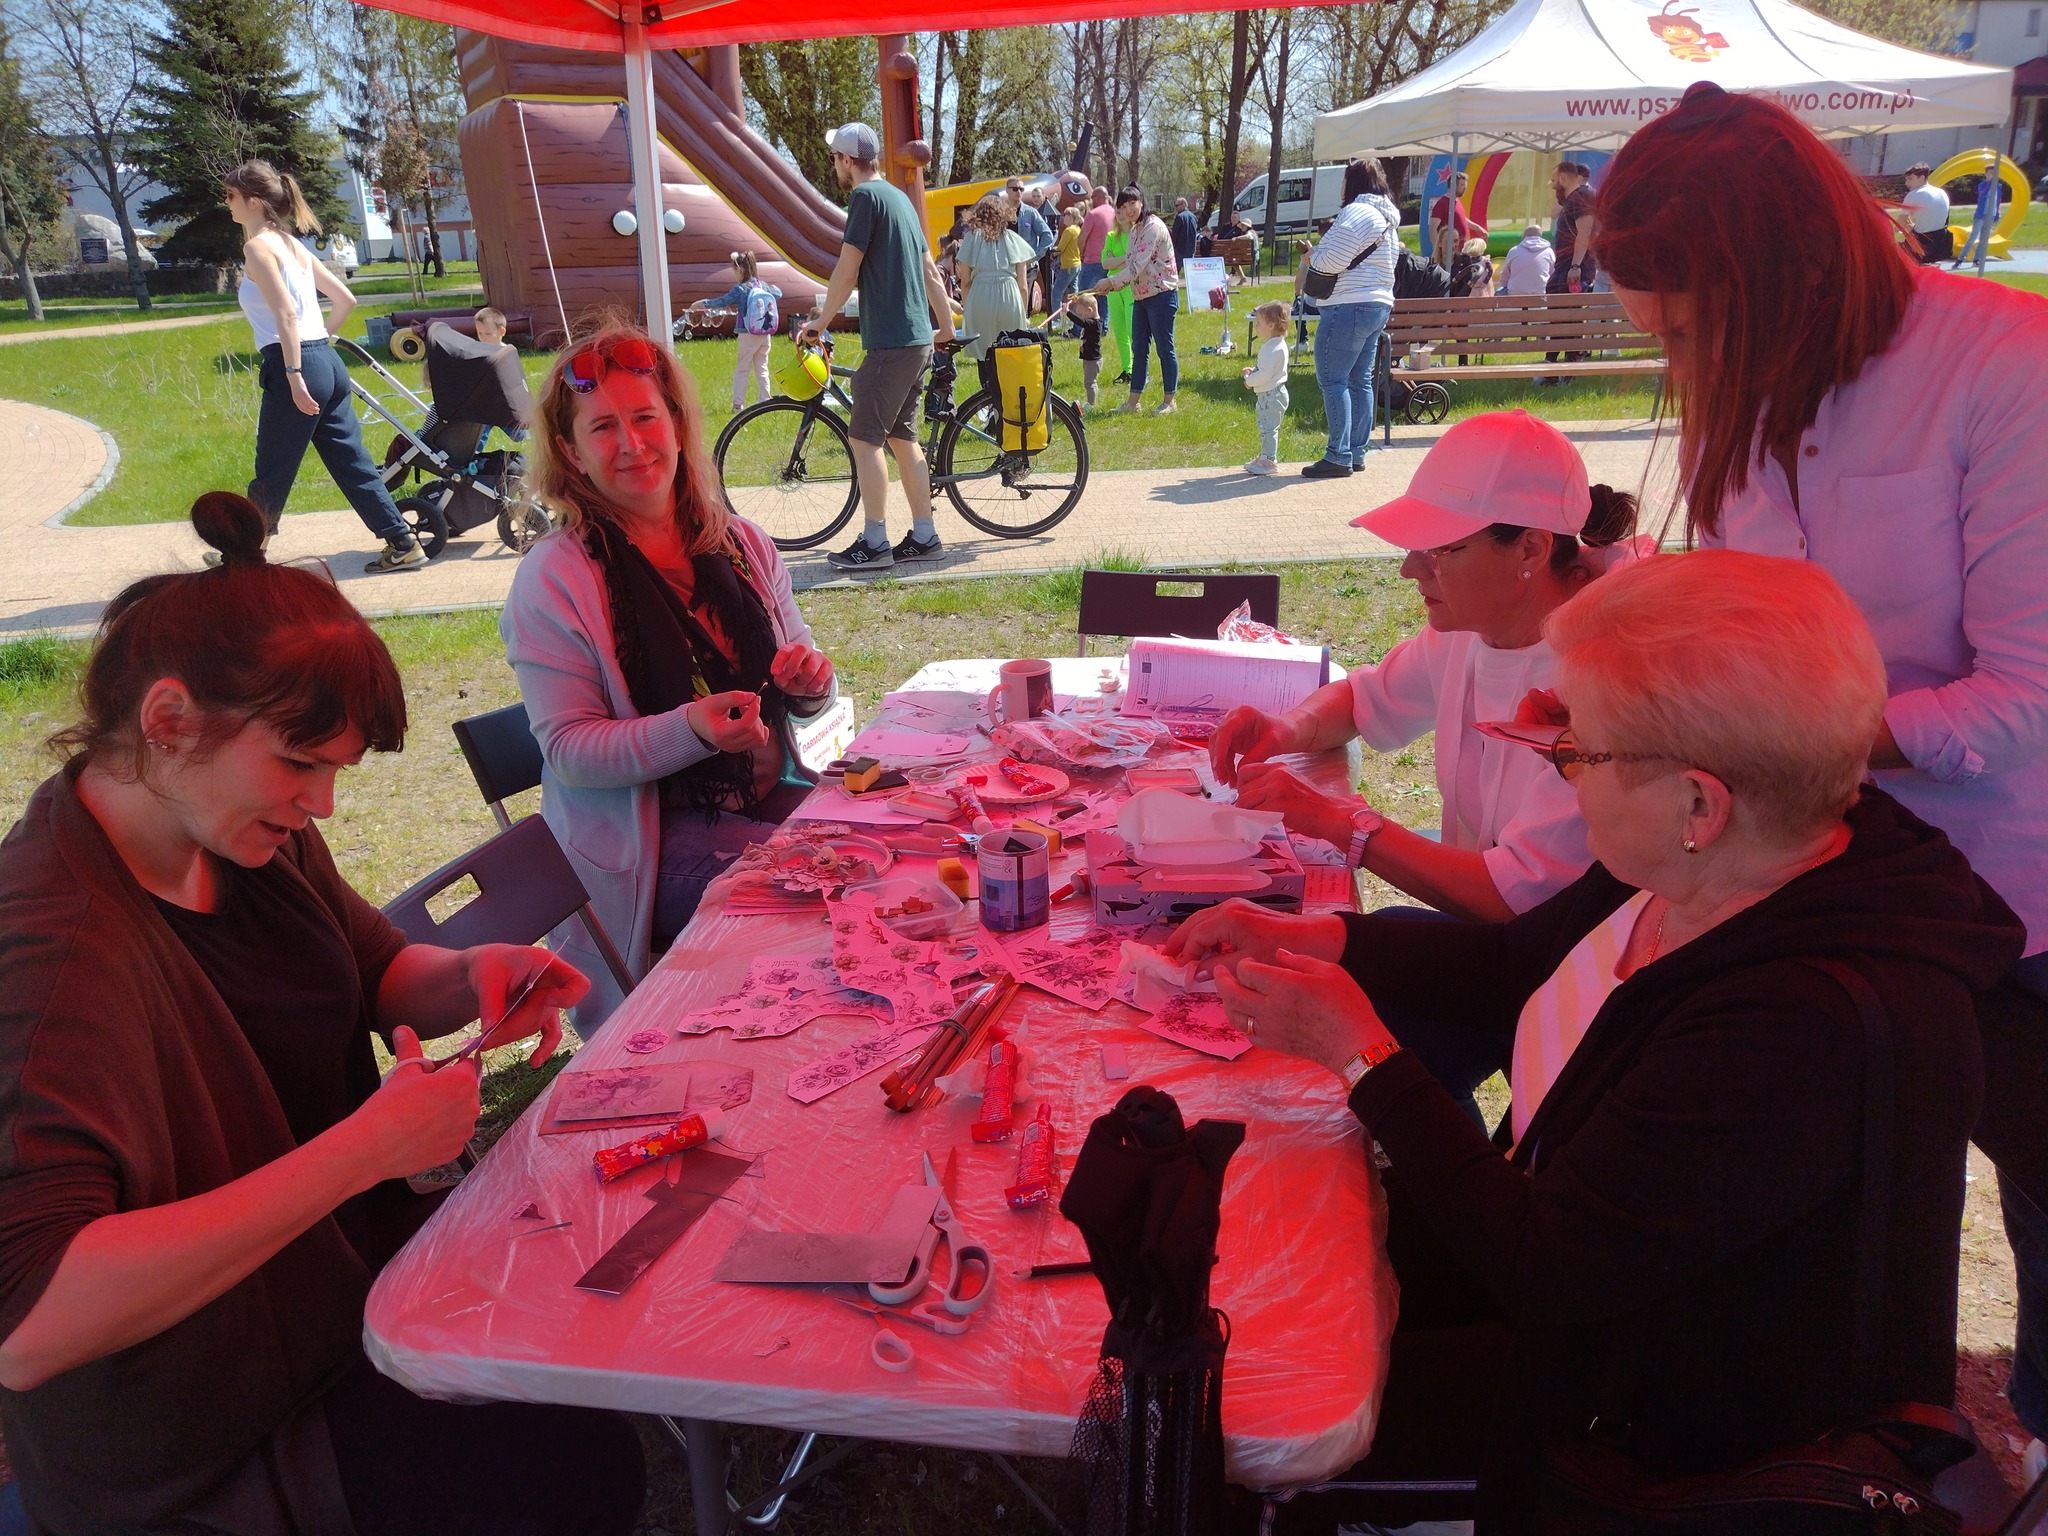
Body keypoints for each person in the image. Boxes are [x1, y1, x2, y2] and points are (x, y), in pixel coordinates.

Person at [1176, 551, 2025, 1529]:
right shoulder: (1719, 846)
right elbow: (1512, 969)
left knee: (1243, 1392)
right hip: (1575, 1273)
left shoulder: (1803, 1022)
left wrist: (1363, 1058)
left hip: (1640, 1415)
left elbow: (1547, 1267)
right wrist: (1316, 935)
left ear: (1699, 801)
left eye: (1580, 749)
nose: (1562, 768)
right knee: (1252, 1241)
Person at [0, 490, 644, 1535]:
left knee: (582, 1340)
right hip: (201, 1439)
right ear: (167, 721)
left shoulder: (240, 825)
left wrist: (472, 974)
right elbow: (32, 1324)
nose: (323, 805)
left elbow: (372, 964)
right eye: (302, 766)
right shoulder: (52, 954)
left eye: (335, 772)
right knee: (567, 1467)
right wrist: (358, 1153)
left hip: (337, 1301)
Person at [1596, 80, 2048, 1480]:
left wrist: (1787, 734)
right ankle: (1878, 1457)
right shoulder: (1760, 396)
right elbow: (1748, 614)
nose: (1678, 365)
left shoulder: (2008, 366)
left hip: (2024, 900)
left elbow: (2023, 700)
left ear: (1782, 279)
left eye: (1686, 330)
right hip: (1840, 877)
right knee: (1859, 1224)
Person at [1211, 408, 1642, 1120]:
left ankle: (1447, 1183)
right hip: (1495, 952)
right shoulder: (1474, 627)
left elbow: (1512, 898)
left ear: (1531, 549)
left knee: (1351, 1027)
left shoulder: (1602, 673)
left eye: (1440, 550)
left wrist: (1346, 824)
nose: (1411, 568)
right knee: (1311, 984)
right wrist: (1286, 726)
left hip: (1566, 982)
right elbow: (1366, 696)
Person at [501, 323, 839, 1030]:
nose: (631, 444)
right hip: (643, 849)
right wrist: (690, 729)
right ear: (570, 451)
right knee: (818, 902)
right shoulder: (556, 576)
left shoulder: (739, 542)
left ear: (678, 424)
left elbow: (807, 689)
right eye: (603, 427)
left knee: (889, 856)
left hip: (767, 796)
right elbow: (568, 751)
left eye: (646, 416)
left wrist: (810, 685)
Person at [226, 159, 425, 573]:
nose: (226, 204)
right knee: (353, 463)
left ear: (254, 201)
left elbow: (285, 317)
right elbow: (345, 300)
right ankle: (402, 542)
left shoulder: (257, 247)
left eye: (231, 196)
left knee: (272, 469)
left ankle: (241, 557)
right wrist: (321, 346)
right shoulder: (293, 244)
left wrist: (296, 374)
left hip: (294, 363)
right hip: (327, 363)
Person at [799, 123, 957, 572]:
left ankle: (874, 542)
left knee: (863, 439)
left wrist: (820, 322)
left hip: (890, 343)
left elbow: (847, 270)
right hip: (917, 339)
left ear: (849, 161)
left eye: (835, 158)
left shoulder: (865, 199)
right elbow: (930, 268)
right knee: (903, 440)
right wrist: (943, 326)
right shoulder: (901, 200)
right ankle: (924, 536)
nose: (834, 165)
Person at [1302, 157, 1399, 479]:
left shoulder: (1357, 213)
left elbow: (1330, 261)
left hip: (1348, 305)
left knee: (1334, 379)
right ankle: (1357, 452)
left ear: (1353, 182)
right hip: (1377, 305)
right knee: (1361, 381)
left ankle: (1338, 454)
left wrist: (1313, 255)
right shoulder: (1387, 219)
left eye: (1344, 180)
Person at [1091, 186, 1180, 416]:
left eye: (1132, 203)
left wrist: (1110, 282)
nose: (1128, 210)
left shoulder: (1152, 227)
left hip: (1162, 295)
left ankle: (1170, 401)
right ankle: (1133, 403)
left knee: (1164, 348)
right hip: (1141, 296)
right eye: (1122, 207)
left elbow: (1136, 265)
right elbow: (1131, 266)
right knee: (1139, 348)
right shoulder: (1133, 231)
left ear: (1142, 201)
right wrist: (1111, 286)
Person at [686, 250, 783, 411]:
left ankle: (738, 404)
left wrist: (701, 303)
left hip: (748, 334)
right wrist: (769, 287)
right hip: (765, 334)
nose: (734, 276)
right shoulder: (762, 286)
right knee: (762, 367)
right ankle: (765, 400)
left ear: (741, 270)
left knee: (742, 369)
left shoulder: (741, 289)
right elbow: (778, 294)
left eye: (734, 272)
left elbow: (722, 301)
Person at [955, 192, 1033, 365]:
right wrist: (1024, 314)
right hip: (1009, 295)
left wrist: (967, 309)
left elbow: (966, 282)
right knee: (1010, 352)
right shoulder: (1015, 240)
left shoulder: (971, 239)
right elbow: (1023, 286)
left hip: (980, 296)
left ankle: (988, 390)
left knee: (984, 354)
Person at [1540, 161, 1598, 378]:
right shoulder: (1572, 200)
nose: (1553, 186)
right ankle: (1554, 366)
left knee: (1568, 317)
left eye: (1555, 181)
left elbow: (1585, 232)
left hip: (1573, 270)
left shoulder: (1581, 198)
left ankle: (1567, 366)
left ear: (1564, 178)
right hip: (1564, 268)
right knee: (1560, 316)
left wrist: (1576, 265)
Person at [1240, 298, 1290, 476]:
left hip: (1271, 396)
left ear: (1270, 325)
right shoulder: (1277, 344)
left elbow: (1265, 375)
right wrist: (1254, 370)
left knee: (1268, 429)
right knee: (1267, 427)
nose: (1256, 326)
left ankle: (1269, 461)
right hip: (1273, 394)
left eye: (1259, 323)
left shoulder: (1271, 348)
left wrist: (1249, 379)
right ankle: (1265, 456)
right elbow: (1270, 370)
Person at [1005, 177, 1055, 311]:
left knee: (1023, 306)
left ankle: (1022, 331)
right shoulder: (1001, 212)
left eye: (1021, 189)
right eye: (1015, 189)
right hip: (1005, 266)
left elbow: (1047, 235)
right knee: (1007, 304)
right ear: (1007, 191)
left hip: (1026, 268)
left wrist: (1034, 257)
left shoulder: (1030, 213)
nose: (1018, 192)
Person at [1891, 162, 1954, 265]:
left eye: (1910, 179)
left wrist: (1890, 231)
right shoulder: (1942, 192)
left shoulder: (1913, 195)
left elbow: (1899, 226)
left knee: (1892, 257)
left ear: (1922, 178)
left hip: (1921, 245)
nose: (1906, 183)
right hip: (1940, 244)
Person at [1052, 289, 1104, 407]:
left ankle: (1091, 404)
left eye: (1081, 314)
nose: (1080, 316)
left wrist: (1068, 313)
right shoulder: (1091, 321)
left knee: (1090, 383)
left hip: (1093, 360)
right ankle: (1091, 402)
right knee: (1089, 382)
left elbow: (1080, 322)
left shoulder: (1094, 324)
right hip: (1090, 359)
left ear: (1090, 311)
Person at [1429, 169, 1475, 267]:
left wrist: (1478, 228)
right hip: (1449, 256)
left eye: (1465, 185)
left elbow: (1461, 219)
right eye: (1462, 185)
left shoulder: (1457, 201)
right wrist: (1439, 252)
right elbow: (1433, 229)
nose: (1465, 188)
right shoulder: (1442, 203)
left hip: (1461, 253)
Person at [1496, 221, 1555, 296]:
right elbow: (1552, 273)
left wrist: (1505, 284)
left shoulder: (1514, 250)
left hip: (1515, 293)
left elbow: (1505, 275)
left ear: (1524, 236)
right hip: (1540, 293)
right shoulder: (1549, 252)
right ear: (1540, 236)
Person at [1051, 206, 1083, 324]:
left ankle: (1057, 319)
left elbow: (1061, 248)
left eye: (1065, 214)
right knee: (1073, 293)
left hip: (1068, 265)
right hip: (1077, 264)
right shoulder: (1078, 229)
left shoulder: (1069, 230)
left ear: (1071, 216)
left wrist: (1053, 251)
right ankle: (1074, 317)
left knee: (1056, 292)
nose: (1063, 217)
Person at [1449, 235, 1495, 299]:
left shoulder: (1484, 261)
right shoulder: (1467, 262)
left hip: (1481, 287)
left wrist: (1485, 281)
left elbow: (1490, 271)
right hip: (1472, 287)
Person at [1170, 195, 1199, 266]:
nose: (1176, 207)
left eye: (1177, 205)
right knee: (1189, 269)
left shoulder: (1180, 217)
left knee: (1176, 269)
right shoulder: (1193, 217)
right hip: (1191, 248)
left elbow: (1175, 234)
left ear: (1183, 205)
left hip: (1180, 249)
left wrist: (1172, 246)